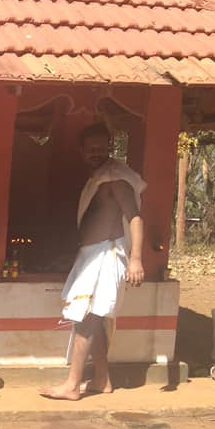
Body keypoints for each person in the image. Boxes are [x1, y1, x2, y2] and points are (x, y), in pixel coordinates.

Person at [42, 123, 146, 401]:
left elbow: (134, 217)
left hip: (106, 255)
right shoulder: (100, 178)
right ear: (82, 151)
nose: (97, 153)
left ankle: (73, 385)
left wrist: (136, 259)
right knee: (95, 319)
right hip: (91, 255)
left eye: (102, 148)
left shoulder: (116, 178)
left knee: (85, 320)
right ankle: (101, 379)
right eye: (92, 149)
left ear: (109, 148)